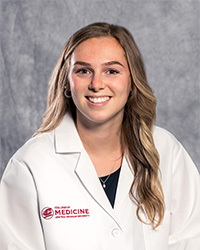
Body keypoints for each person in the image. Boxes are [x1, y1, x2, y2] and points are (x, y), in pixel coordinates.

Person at [0, 22, 199, 250]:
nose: (97, 84)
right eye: (83, 71)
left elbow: (191, 240)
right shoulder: (30, 164)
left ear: (132, 81)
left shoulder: (166, 150)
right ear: (67, 81)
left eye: (112, 71)